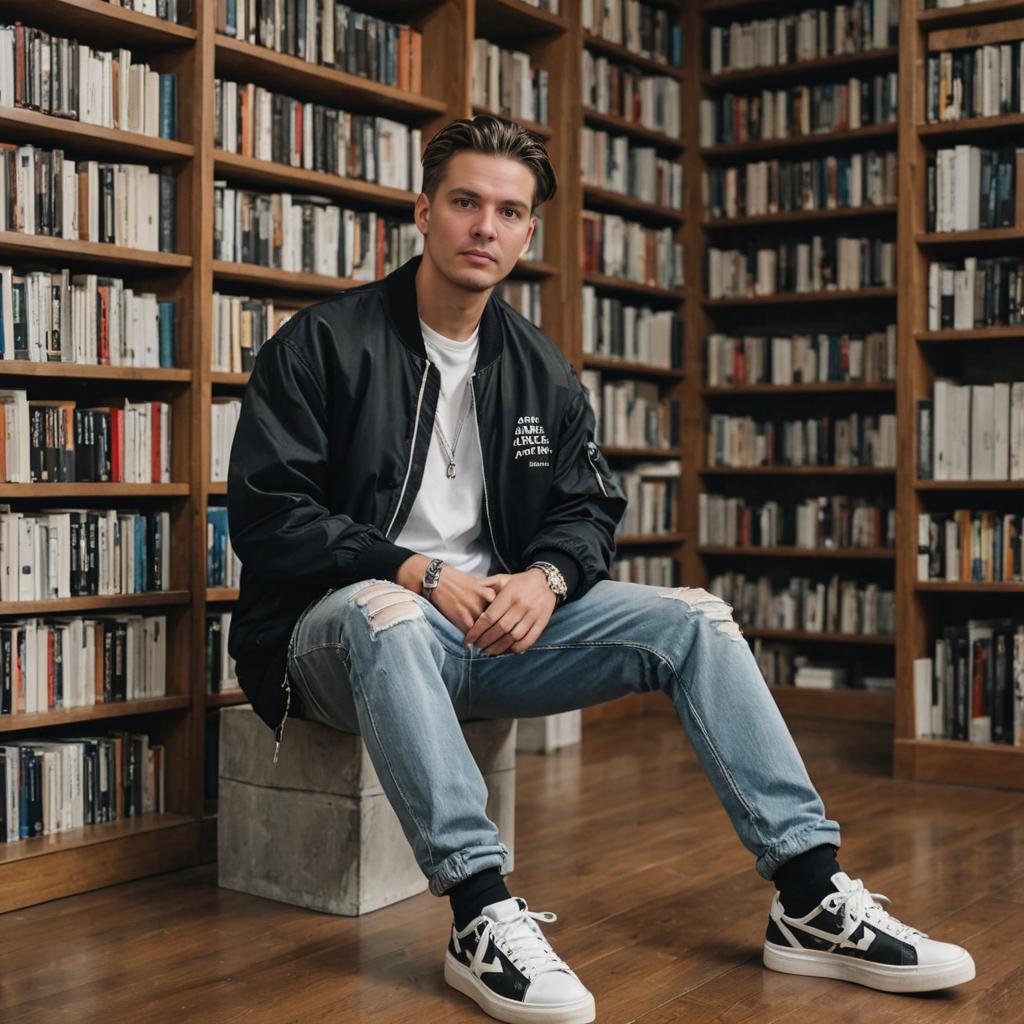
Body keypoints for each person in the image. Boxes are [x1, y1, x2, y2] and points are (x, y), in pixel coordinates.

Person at [226, 115, 975, 1024]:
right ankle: (478, 912)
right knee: (384, 611)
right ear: (422, 211)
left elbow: (588, 511)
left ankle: (809, 896)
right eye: (464, 203)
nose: (484, 229)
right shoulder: (322, 345)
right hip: (334, 642)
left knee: (693, 618)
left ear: (529, 232)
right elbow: (270, 519)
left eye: (508, 211)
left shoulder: (539, 369)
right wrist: (416, 571)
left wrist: (543, 579)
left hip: (493, 633)